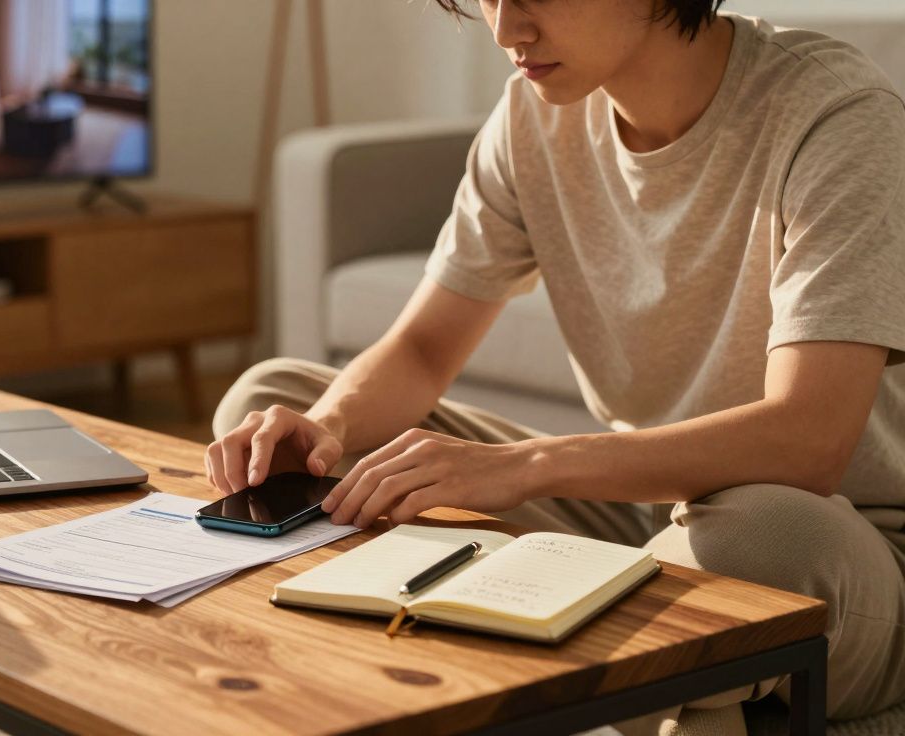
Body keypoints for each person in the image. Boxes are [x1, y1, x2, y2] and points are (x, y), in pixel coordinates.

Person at [206, 1, 905, 734]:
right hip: (644, 512)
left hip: (839, 547)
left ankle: (545, 667)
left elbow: (810, 441)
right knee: (272, 401)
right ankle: (518, 655)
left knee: (753, 536)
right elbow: (421, 350)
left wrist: (529, 464)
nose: (506, 29)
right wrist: (325, 425)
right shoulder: (532, 117)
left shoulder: (837, 116)